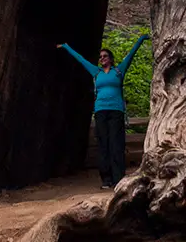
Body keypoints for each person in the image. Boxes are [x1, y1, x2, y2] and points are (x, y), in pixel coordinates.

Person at [57, 33, 147, 188]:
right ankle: (106, 179)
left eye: (105, 56)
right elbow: (81, 59)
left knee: (116, 143)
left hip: (116, 111)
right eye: (100, 57)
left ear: (110, 59)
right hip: (100, 111)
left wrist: (142, 38)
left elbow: (131, 54)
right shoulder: (96, 72)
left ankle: (118, 178)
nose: (102, 58)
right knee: (103, 144)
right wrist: (66, 47)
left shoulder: (119, 71)